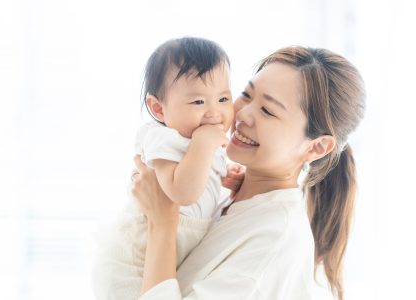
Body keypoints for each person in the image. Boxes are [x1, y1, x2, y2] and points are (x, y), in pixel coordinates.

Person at [130, 46, 365, 300]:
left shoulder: (274, 239)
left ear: (317, 146)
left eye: (268, 111)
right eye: (246, 94)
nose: (242, 114)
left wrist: (162, 221)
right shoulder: (227, 189)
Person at [92, 37, 244, 300]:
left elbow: (201, 179)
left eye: (222, 98)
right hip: (132, 262)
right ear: (159, 108)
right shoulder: (162, 138)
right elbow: (181, 192)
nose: (214, 112)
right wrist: (203, 144)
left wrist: (224, 177)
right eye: (198, 102)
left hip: (167, 251)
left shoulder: (203, 143)